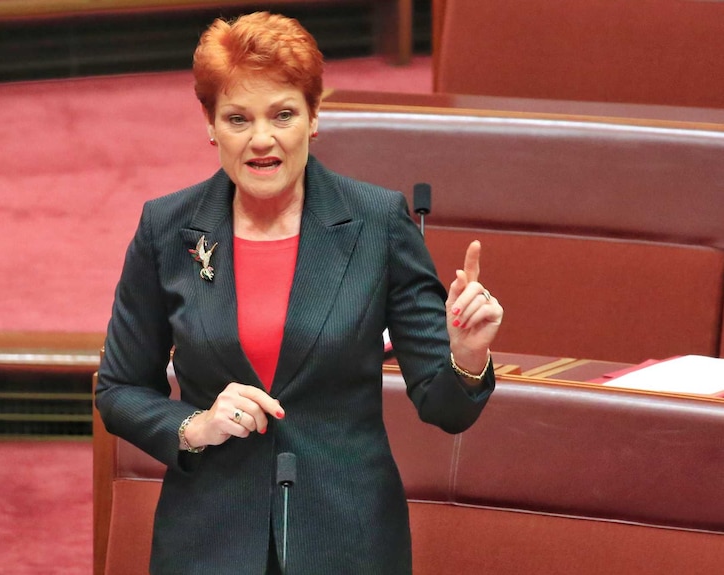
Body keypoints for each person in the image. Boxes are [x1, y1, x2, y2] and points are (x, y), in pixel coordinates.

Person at [95, 11, 503, 575]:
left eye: (282, 114)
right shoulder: (167, 229)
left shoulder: (377, 223)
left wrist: (466, 356)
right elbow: (119, 390)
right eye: (238, 118)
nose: (262, 139)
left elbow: (445, 406)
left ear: (313, 118)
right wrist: (194, 426)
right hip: (209, 539)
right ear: (211, 125)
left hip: (347, 537)